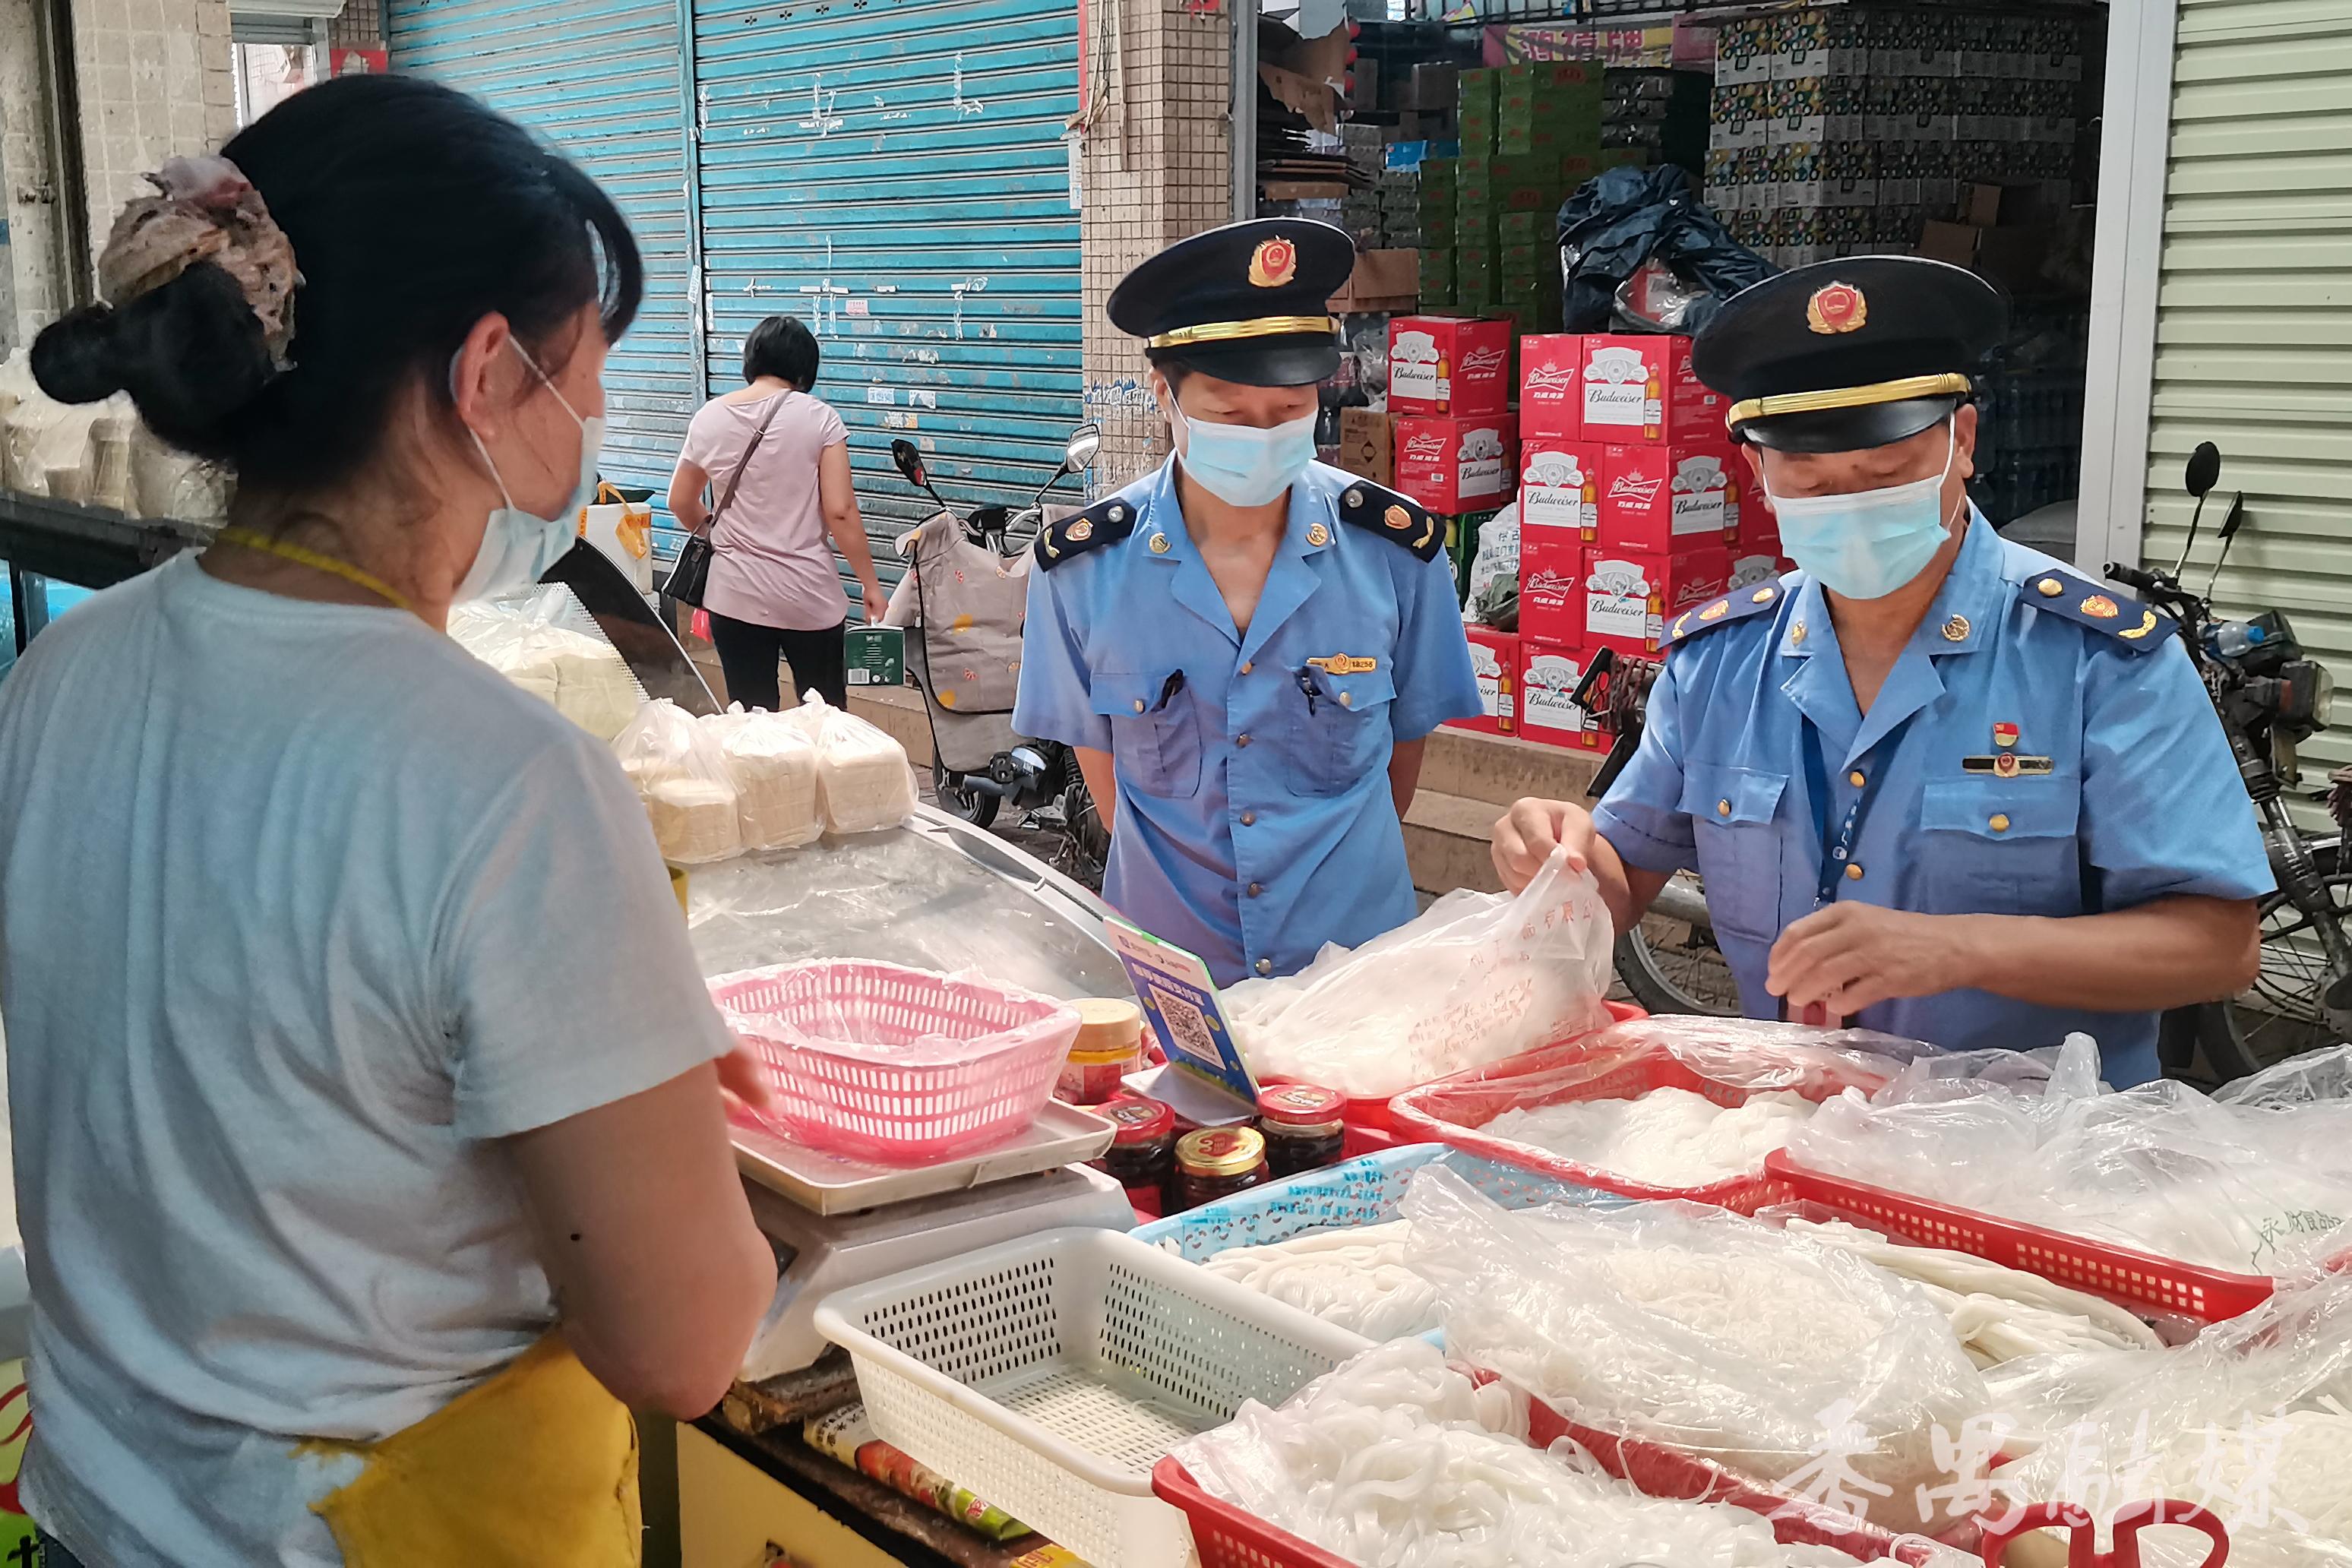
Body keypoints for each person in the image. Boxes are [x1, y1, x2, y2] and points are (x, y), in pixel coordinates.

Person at [5, 77, 776, 1566]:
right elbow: (680, 1346)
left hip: (94, 1518)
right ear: (487, 370)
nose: (602, 415)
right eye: (588, 370)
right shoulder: (505, 782)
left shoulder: (62, 670)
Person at [1490, 256, 2271, 1087]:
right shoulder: (1721, 664)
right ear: (1759, 473)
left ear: (1961, 443)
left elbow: (2219, 946)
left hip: (2039, 1158)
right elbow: (1618, 883)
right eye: (1814, 482)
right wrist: (1557, 863)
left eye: (1888, 474)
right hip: (1807, 1146)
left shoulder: (2098, 660)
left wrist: (1959, 948)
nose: (1853, 504)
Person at [1015, 219, 1482, 986]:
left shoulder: (1396, 554)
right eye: (1231, 416)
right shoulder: (1083, 569)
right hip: (1173, 979)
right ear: (1164, 393)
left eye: (1291, 410)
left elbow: (1398, 767)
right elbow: (1109, 790)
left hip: (1355, 978)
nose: (1264, 435)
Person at [669, 313, 885, 710]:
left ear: (751, 360)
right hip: (808, 597)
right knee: (825, 722)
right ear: (806, 369)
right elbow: (840, 511)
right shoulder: (819, 418)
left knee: (753, 723)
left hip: (734, 597)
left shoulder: (710, 418)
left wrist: (714, 534)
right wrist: (870, 584)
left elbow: (680, 501)